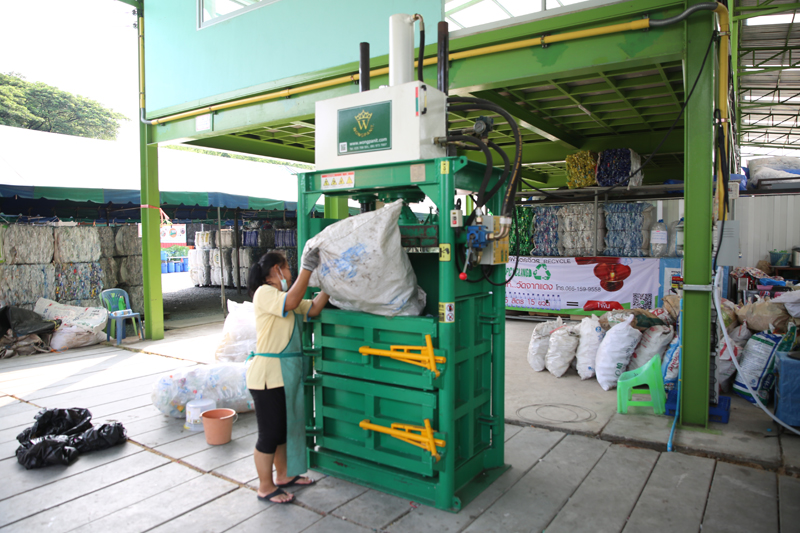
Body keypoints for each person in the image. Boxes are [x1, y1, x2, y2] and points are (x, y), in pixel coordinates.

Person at [246, 250, 329, 504]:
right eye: (288, 268)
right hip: (267, 377)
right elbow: (293, 302)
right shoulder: (265, 293)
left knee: (282, 431)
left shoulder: (283, 296)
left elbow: (311, 309)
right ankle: (264, 486)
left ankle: (283, 476)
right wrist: (308, 269)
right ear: (276, 270)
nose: (290, 273)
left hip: (285, 375)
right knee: (269, 435)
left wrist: (330, 285)